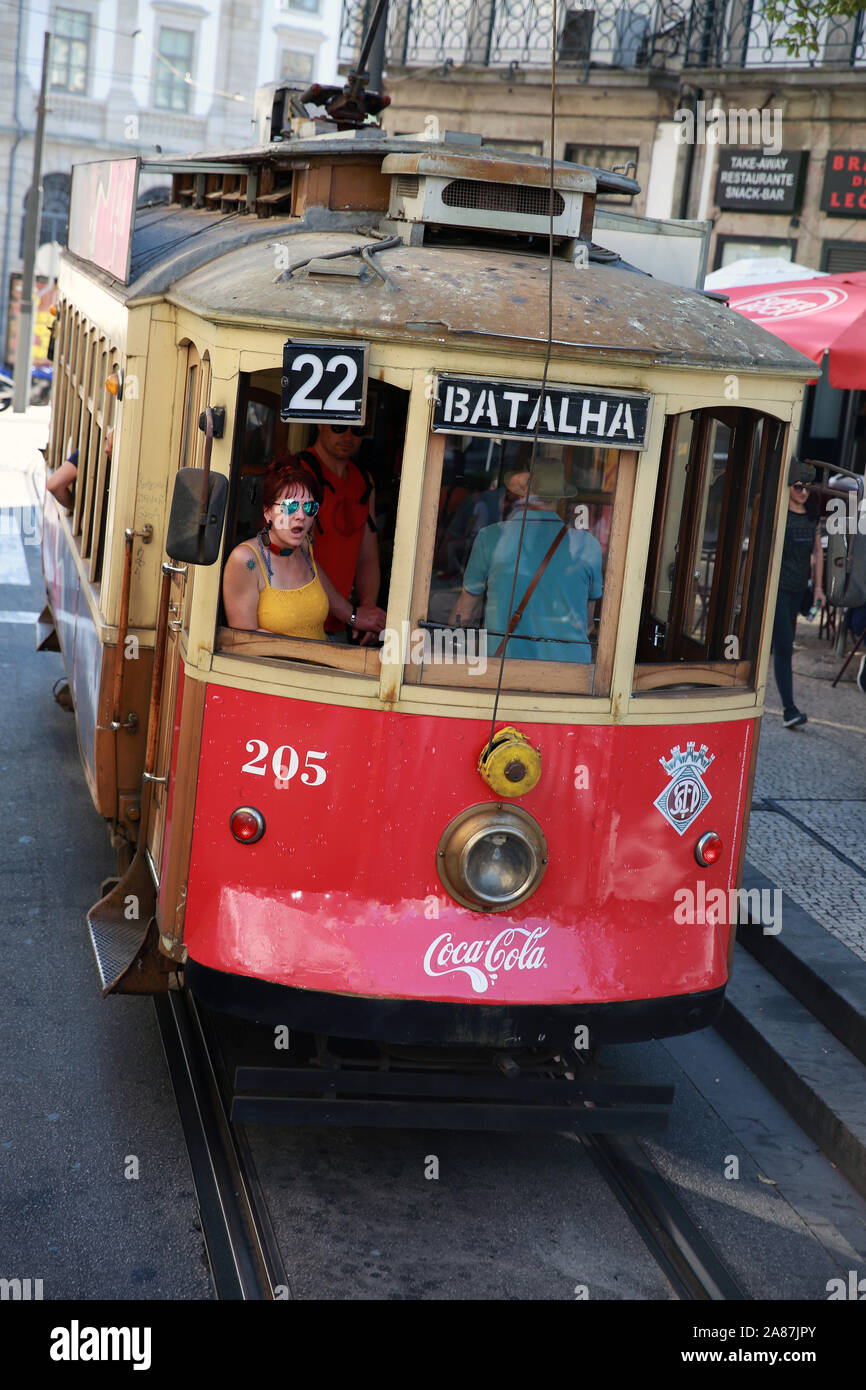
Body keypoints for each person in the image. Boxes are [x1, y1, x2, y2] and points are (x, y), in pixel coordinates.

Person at [450, 465, 603, 662]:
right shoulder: (588, 544)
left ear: (524, 493)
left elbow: (465, 613)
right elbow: (587, 623)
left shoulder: (490, 537)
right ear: (561, 498)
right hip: (570, 671)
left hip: (506, 667)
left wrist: (443, 651)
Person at [222, 462, 386, 640]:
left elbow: (321, 585)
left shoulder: (303, 546)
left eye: (309, 507)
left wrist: (355, 617)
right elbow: (243, 641)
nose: (301, 515)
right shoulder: (246, 561)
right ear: (268, 512)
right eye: (290, 506)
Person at [286, 422, 380, 642]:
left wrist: (367, 609)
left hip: (341, 625)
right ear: (320, 423)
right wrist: (355, 616)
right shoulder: (297, 473)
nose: (348, 435)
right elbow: (298, 555)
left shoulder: (364, 482)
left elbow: (367, 556)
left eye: (357, 430)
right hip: (296, 623)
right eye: (339, 426)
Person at [772, 458, 825, 728]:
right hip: (777, 589)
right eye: (797, 486)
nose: (803, 491)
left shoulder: (812, 516)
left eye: (807, 487)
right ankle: (789, 709)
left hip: (797, 590)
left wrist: (818, 588)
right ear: (788, 487)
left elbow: (818, 552)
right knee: (784, 646)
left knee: (779, 644)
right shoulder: (780, 514)